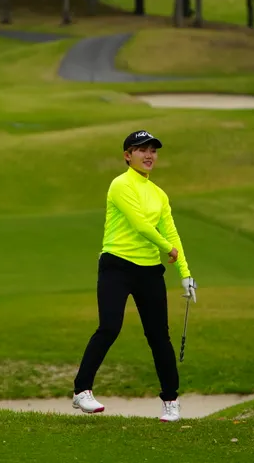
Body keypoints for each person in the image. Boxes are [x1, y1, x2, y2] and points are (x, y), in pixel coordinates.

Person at [71, 130, 197, 422]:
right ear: (128, 156)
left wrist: (185, 273)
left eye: (153, 150)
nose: (149, 155)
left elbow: (171, 231)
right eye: (142, 150)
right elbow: (140, 224)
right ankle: (81, 390)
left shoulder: (159, 194)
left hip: (149, 270)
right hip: (116, 265)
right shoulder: (120, 184)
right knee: (109, 327)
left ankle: (171, 401)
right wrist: (168, 249)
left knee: (159, 336)